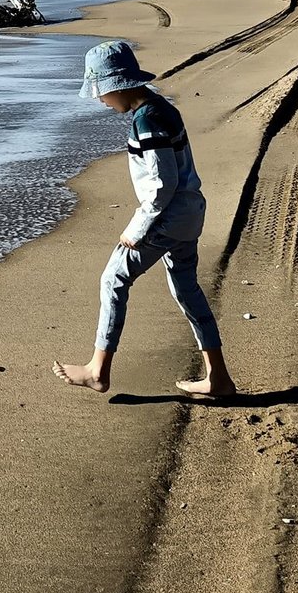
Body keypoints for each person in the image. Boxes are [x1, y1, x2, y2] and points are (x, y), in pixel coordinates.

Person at [53, 40, 235, 399]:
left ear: (118, 85)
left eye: (101, 93)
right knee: (186, 290)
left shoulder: (146, 120)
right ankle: (219, 379)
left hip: (166, 219)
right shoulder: (161, 107)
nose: (100, 100)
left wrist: (137, 229)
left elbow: (161, 184)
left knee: (113, 279)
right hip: (190, 213)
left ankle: (97, 370)